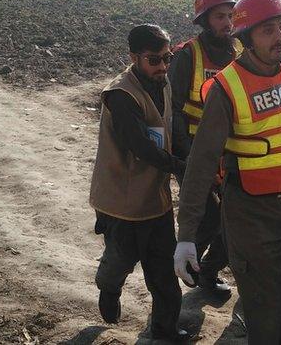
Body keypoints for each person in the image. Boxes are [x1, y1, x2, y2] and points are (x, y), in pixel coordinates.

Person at [173, 0, 281, 345]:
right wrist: (186, 236)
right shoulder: (227, 88)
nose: (279, 37)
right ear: (245, 40)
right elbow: (200, 166)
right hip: (251, 213)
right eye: (266, 31)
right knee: (264, 308)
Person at [88, 24, 195, 341]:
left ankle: (164, 330)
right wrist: (181, 168)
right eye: (154, 60)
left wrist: (190, 162)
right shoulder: (121, 95)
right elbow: (140, 147)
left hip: (155, 199)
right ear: (134, 57)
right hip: (123, 201)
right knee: (120, 260)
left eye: (167, 57)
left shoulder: (161, 82)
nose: (163, 66)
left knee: (163, 271)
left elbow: (171, 127)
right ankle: (108, 287)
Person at [168, 0, 240, 297]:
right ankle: (189, 267)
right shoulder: (188, 56)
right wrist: (189, 160)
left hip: (231, 154)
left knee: (236, 221)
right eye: (220, 17)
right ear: (204, 21)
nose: (227, 23)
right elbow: (173, 112)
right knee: (207, 218)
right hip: (194, 154)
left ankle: (207, 270)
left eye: (231, 16)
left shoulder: (238, 55)